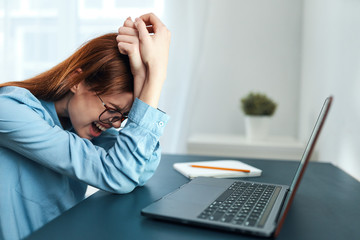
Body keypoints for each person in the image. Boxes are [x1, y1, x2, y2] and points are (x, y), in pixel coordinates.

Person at [0, 13, 171, 240]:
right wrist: (156, 76)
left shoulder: (82, 125)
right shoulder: (8, 111)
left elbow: (139, 172)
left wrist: (143, 82)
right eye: (111, 108)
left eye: (125, 116)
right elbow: (119, 175)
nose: (117, 123)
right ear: (76, 81)